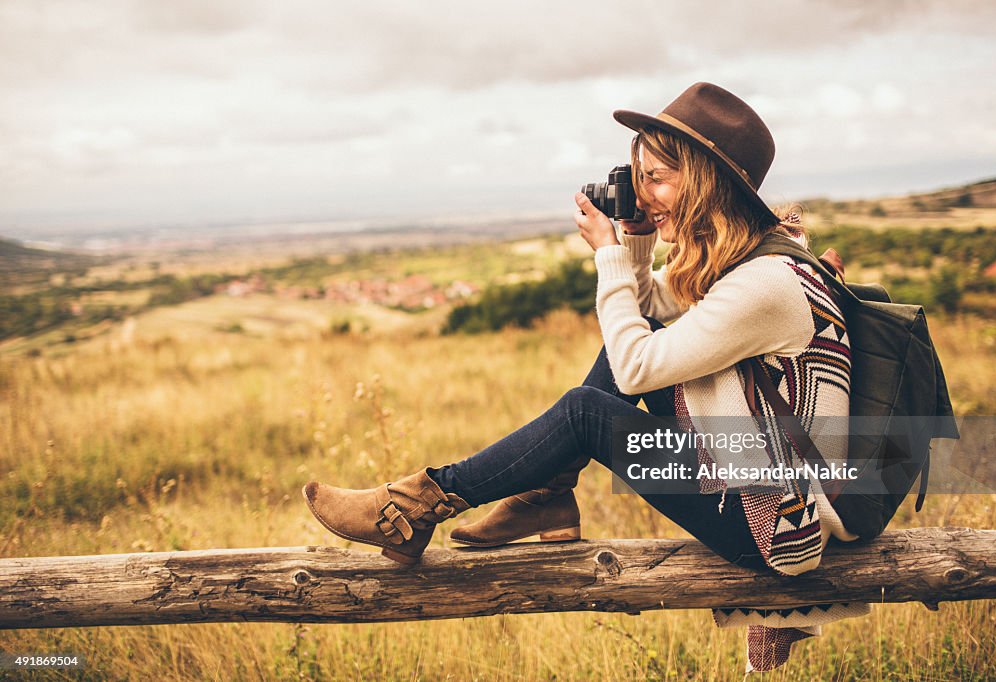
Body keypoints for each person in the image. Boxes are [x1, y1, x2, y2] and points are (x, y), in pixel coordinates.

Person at [302, 82, 869, 672]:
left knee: (585, 411)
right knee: (635, 334)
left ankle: (416, 507)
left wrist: (609, 255)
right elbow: (651, 310)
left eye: (658, 178)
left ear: (705, 180)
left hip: (777, 523)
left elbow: (636, 364)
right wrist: (640, 241)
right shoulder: (757, 256)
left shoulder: (764, 284)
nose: (645, 195)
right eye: (639, 176)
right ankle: (542, 498)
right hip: (759, 481)